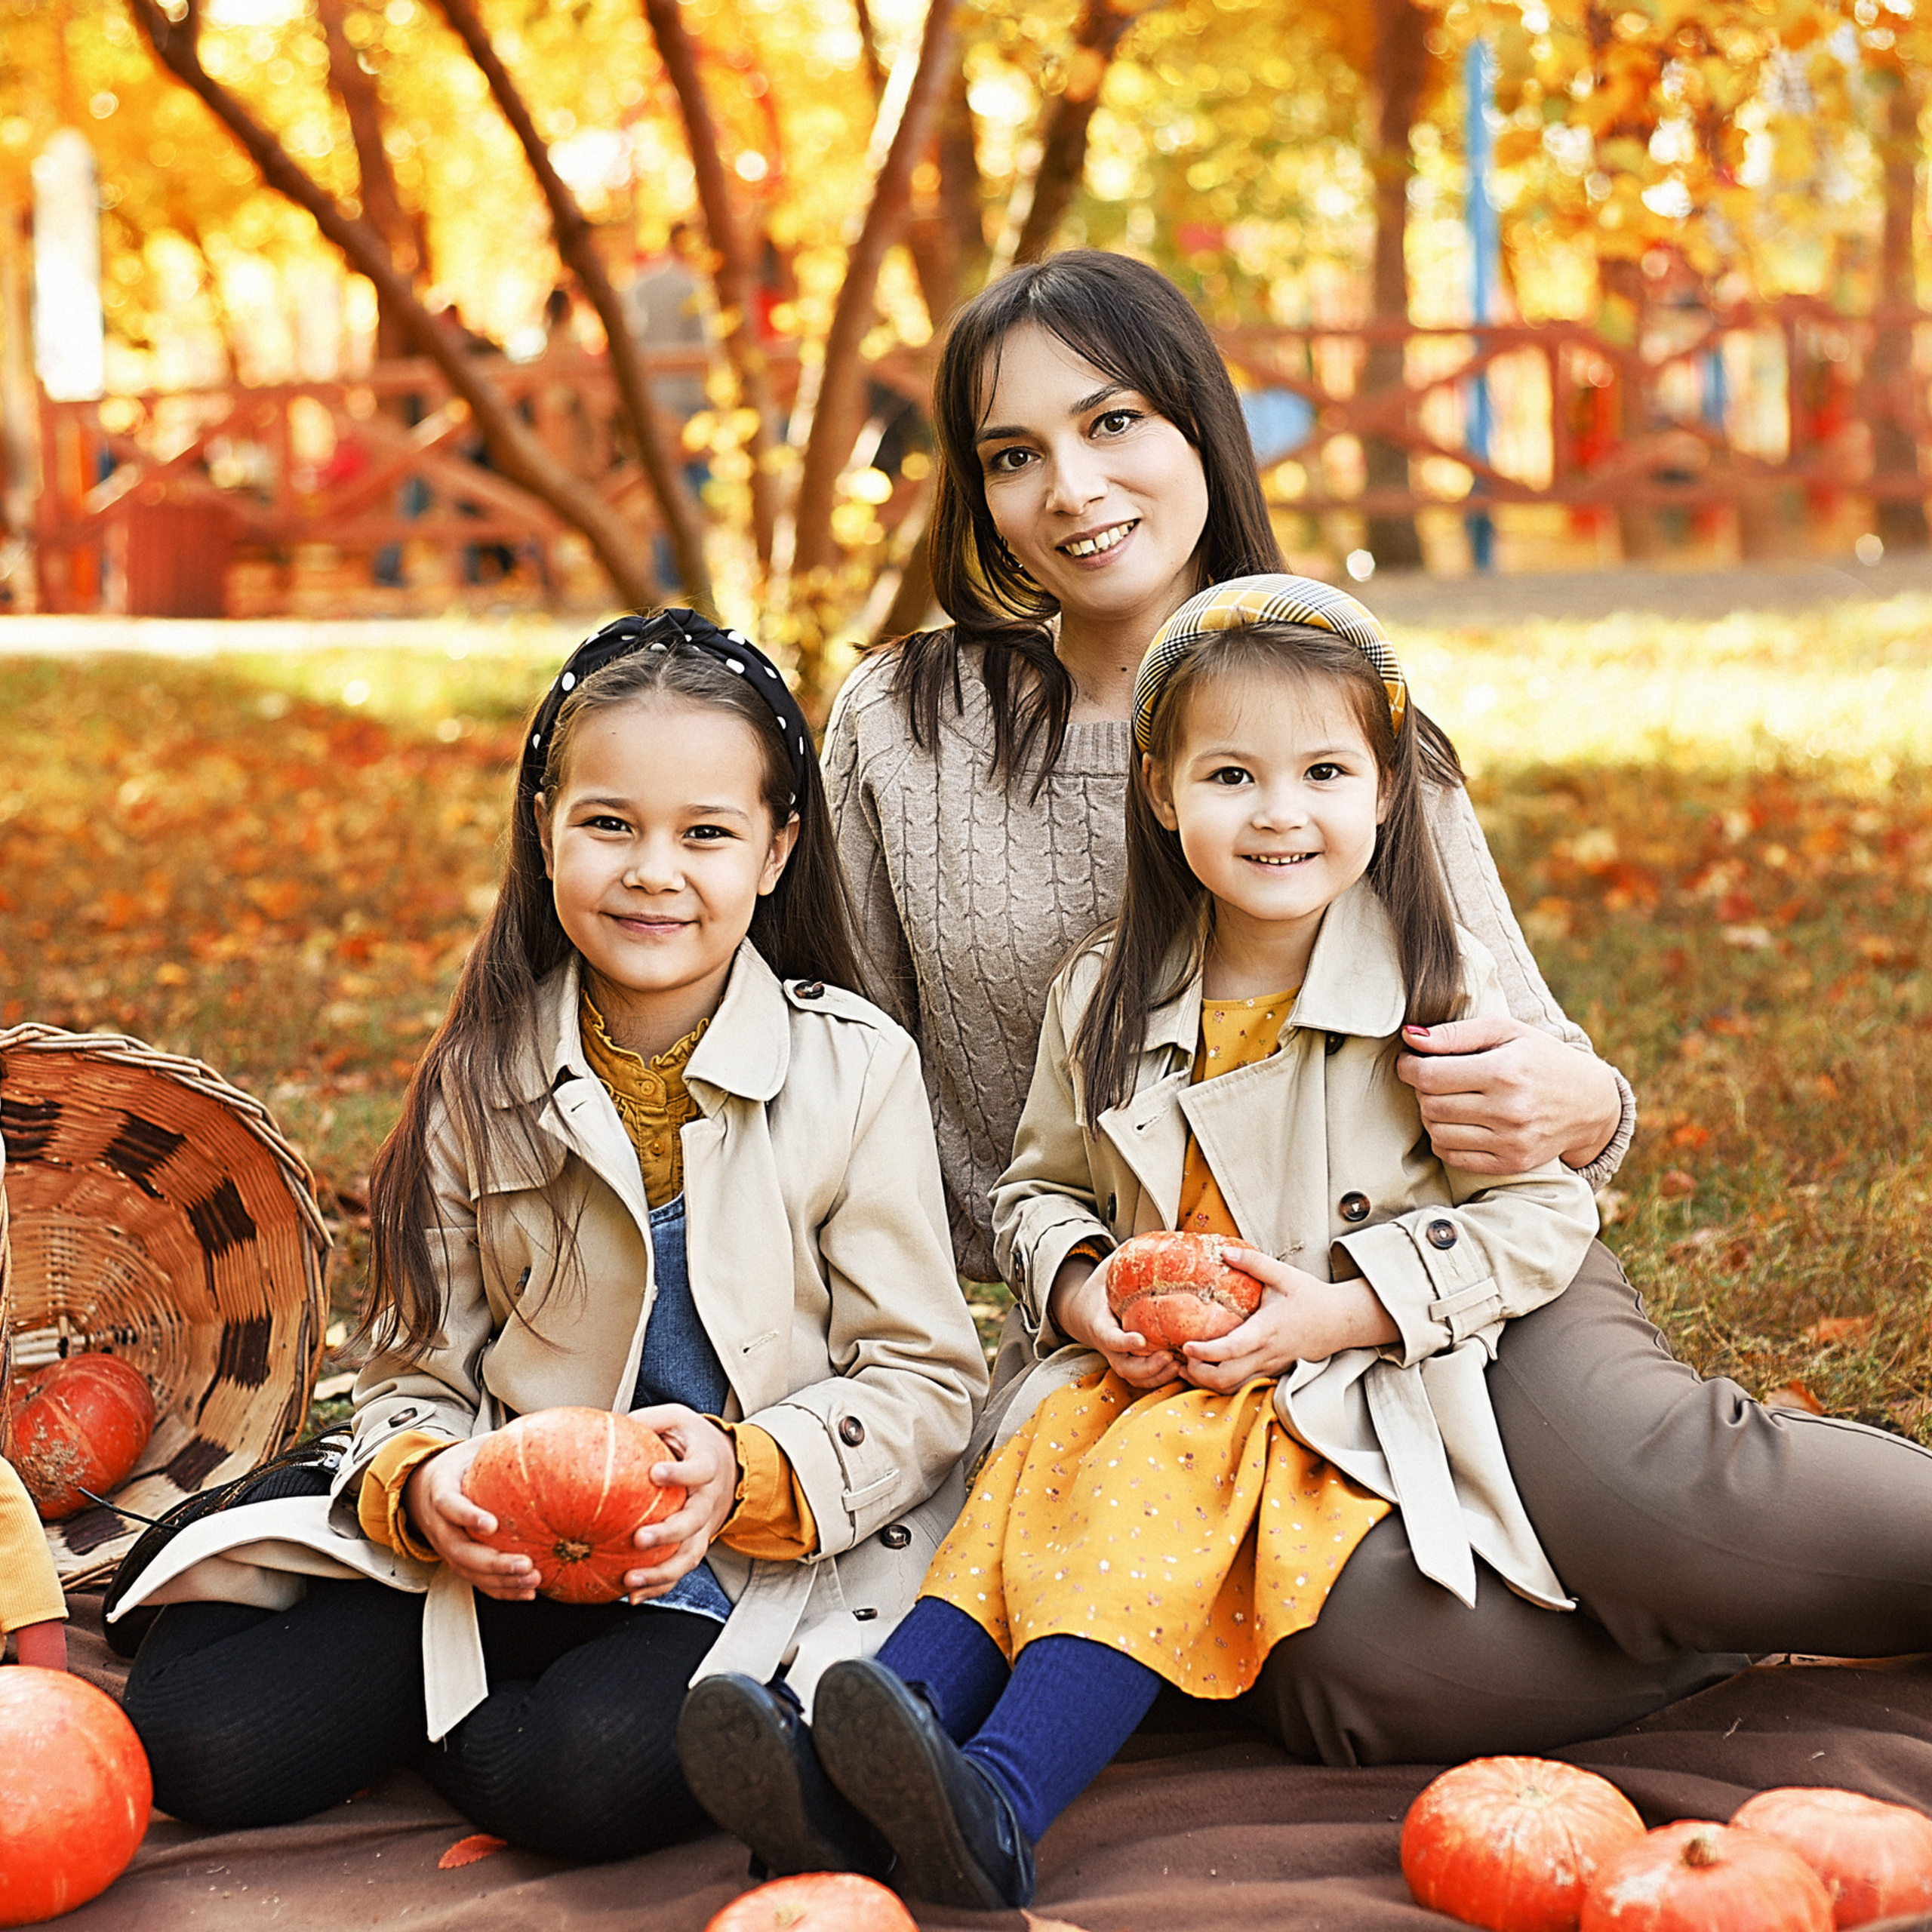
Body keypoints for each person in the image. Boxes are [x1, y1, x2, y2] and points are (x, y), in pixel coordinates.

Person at [805, 248, 1932, 1850]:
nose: (1072, 487)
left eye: (1113, 421)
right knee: (1358, 1672)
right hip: (1164, 1343)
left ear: (1197, 422)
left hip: (1434, 1252)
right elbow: (843, 1076)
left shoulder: (1341, 704)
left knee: (1649, 1502)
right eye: (1011, 453)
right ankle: (1701, 1635)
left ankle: (1701, 1570)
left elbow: (1544, 1086)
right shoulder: (904, 728)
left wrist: (1581, 1098)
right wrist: (1038, 1300)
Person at [678, 578, 1742, 1907]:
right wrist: (1082, 1288)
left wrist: (1341, 1311)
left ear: (1387, 790)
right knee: (1020, 1481)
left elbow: (1546, 1215)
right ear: (1164, 793)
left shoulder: (1435, 988)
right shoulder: (1105, 991)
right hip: (1137, 1365)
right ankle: (858, 1769)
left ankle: (1001, 1797)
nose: (1279, 811)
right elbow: (1034, 1190)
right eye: (1232, 776)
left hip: (1319, 1380)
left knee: (1135, 1483)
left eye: (1323, 773)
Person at [115, 610, 986, 1863]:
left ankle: (462, 1714)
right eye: (609, 824)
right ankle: (372, 1610)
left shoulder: (855, 1071)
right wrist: (427, 1483)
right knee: (199, 1737)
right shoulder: (483, 1076)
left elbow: (924, 1379)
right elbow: (416, 1371)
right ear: (545, 828)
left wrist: (749, 1469)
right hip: (505, 1544)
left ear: (778, 849)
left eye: (706, 834)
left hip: (721, 1559)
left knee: (580, 1778)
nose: (654, 871)